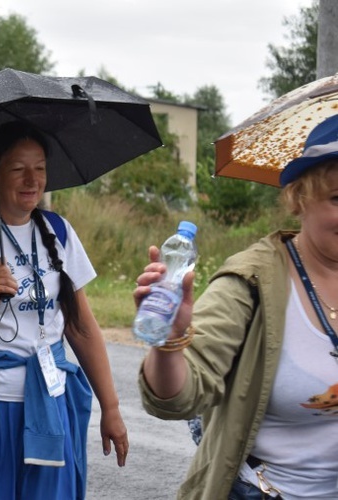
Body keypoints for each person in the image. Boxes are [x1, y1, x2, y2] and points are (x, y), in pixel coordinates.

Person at [0, 121, 128, 499]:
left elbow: (81, 329)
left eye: (40, 168)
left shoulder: (59, 232)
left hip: (50, 402)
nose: (32, 179)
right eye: (18, 168)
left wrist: (110, 407)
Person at [134, 114, 338, 499]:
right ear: (300, 198)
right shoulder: (250, 283)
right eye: (337, 198)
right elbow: (176, 398)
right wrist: (169, 341)